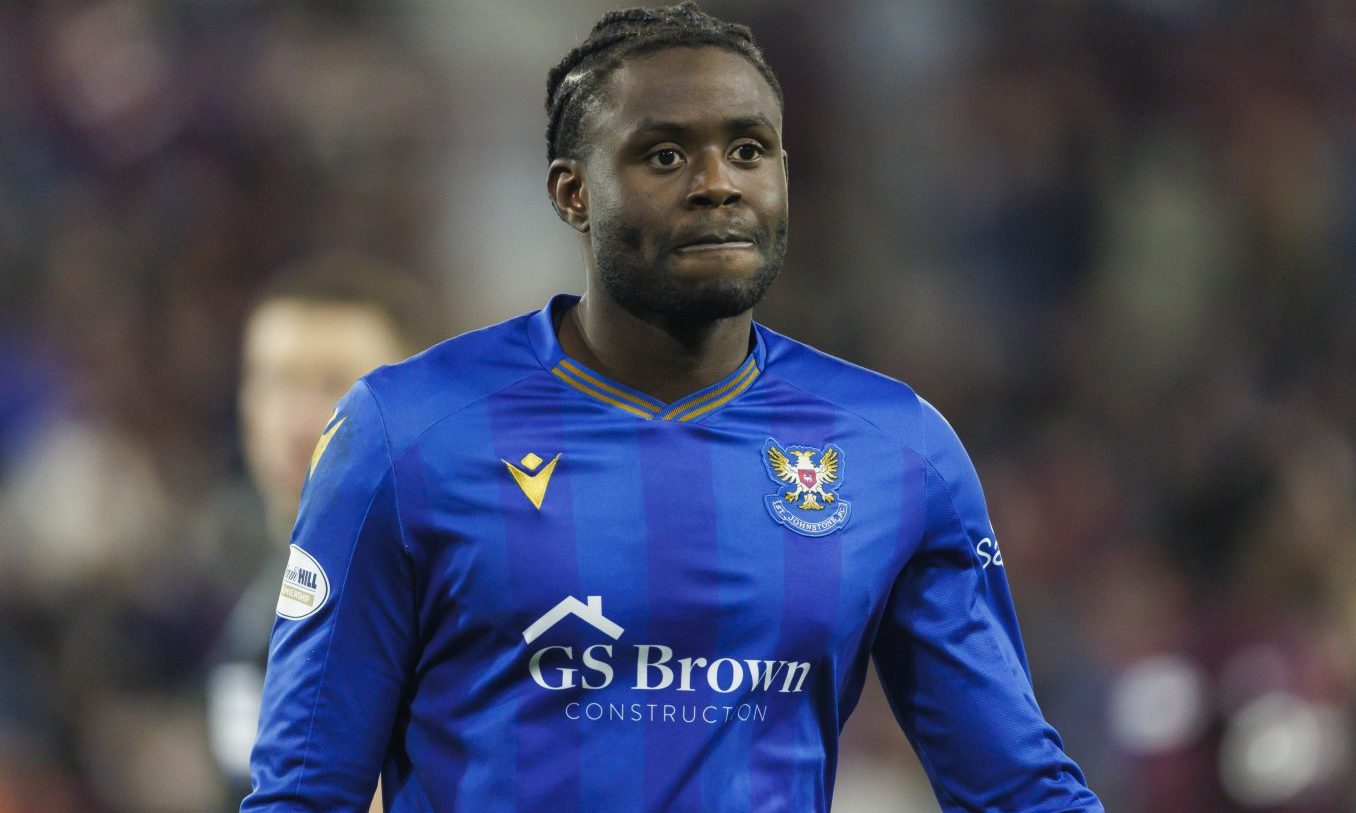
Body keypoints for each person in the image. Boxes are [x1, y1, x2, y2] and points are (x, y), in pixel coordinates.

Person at [242, 4, 1103, 811]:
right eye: (664, 156)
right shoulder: (406, 433)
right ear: (572, 193)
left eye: (750, 150)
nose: (717, 184)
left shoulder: (897, 450)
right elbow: (303, 794)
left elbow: (1018, 789)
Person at [208, 253, 442, 809]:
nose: (298, 418)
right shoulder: (259, 613)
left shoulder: (461, 601)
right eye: (276, 381)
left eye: (337, 385)